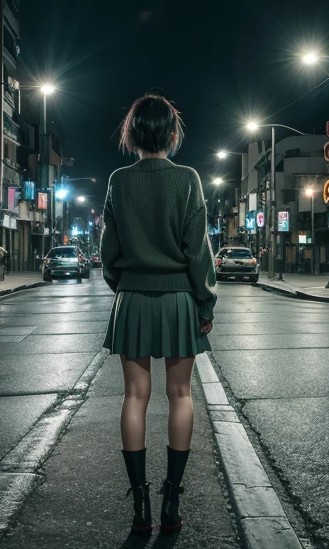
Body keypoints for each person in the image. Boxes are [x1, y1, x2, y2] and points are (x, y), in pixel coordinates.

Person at [101, 94, 216, 535]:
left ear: (131, 135)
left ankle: (141, 507)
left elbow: (108, 252)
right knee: (181, 395)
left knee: (135, 397)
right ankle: (172, 499)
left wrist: (125, 287)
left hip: (132, 299)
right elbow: (198, 252)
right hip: (178, 300)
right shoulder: (187, 179)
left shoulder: (118, 180)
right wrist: (204, 303)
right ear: (172, 134)